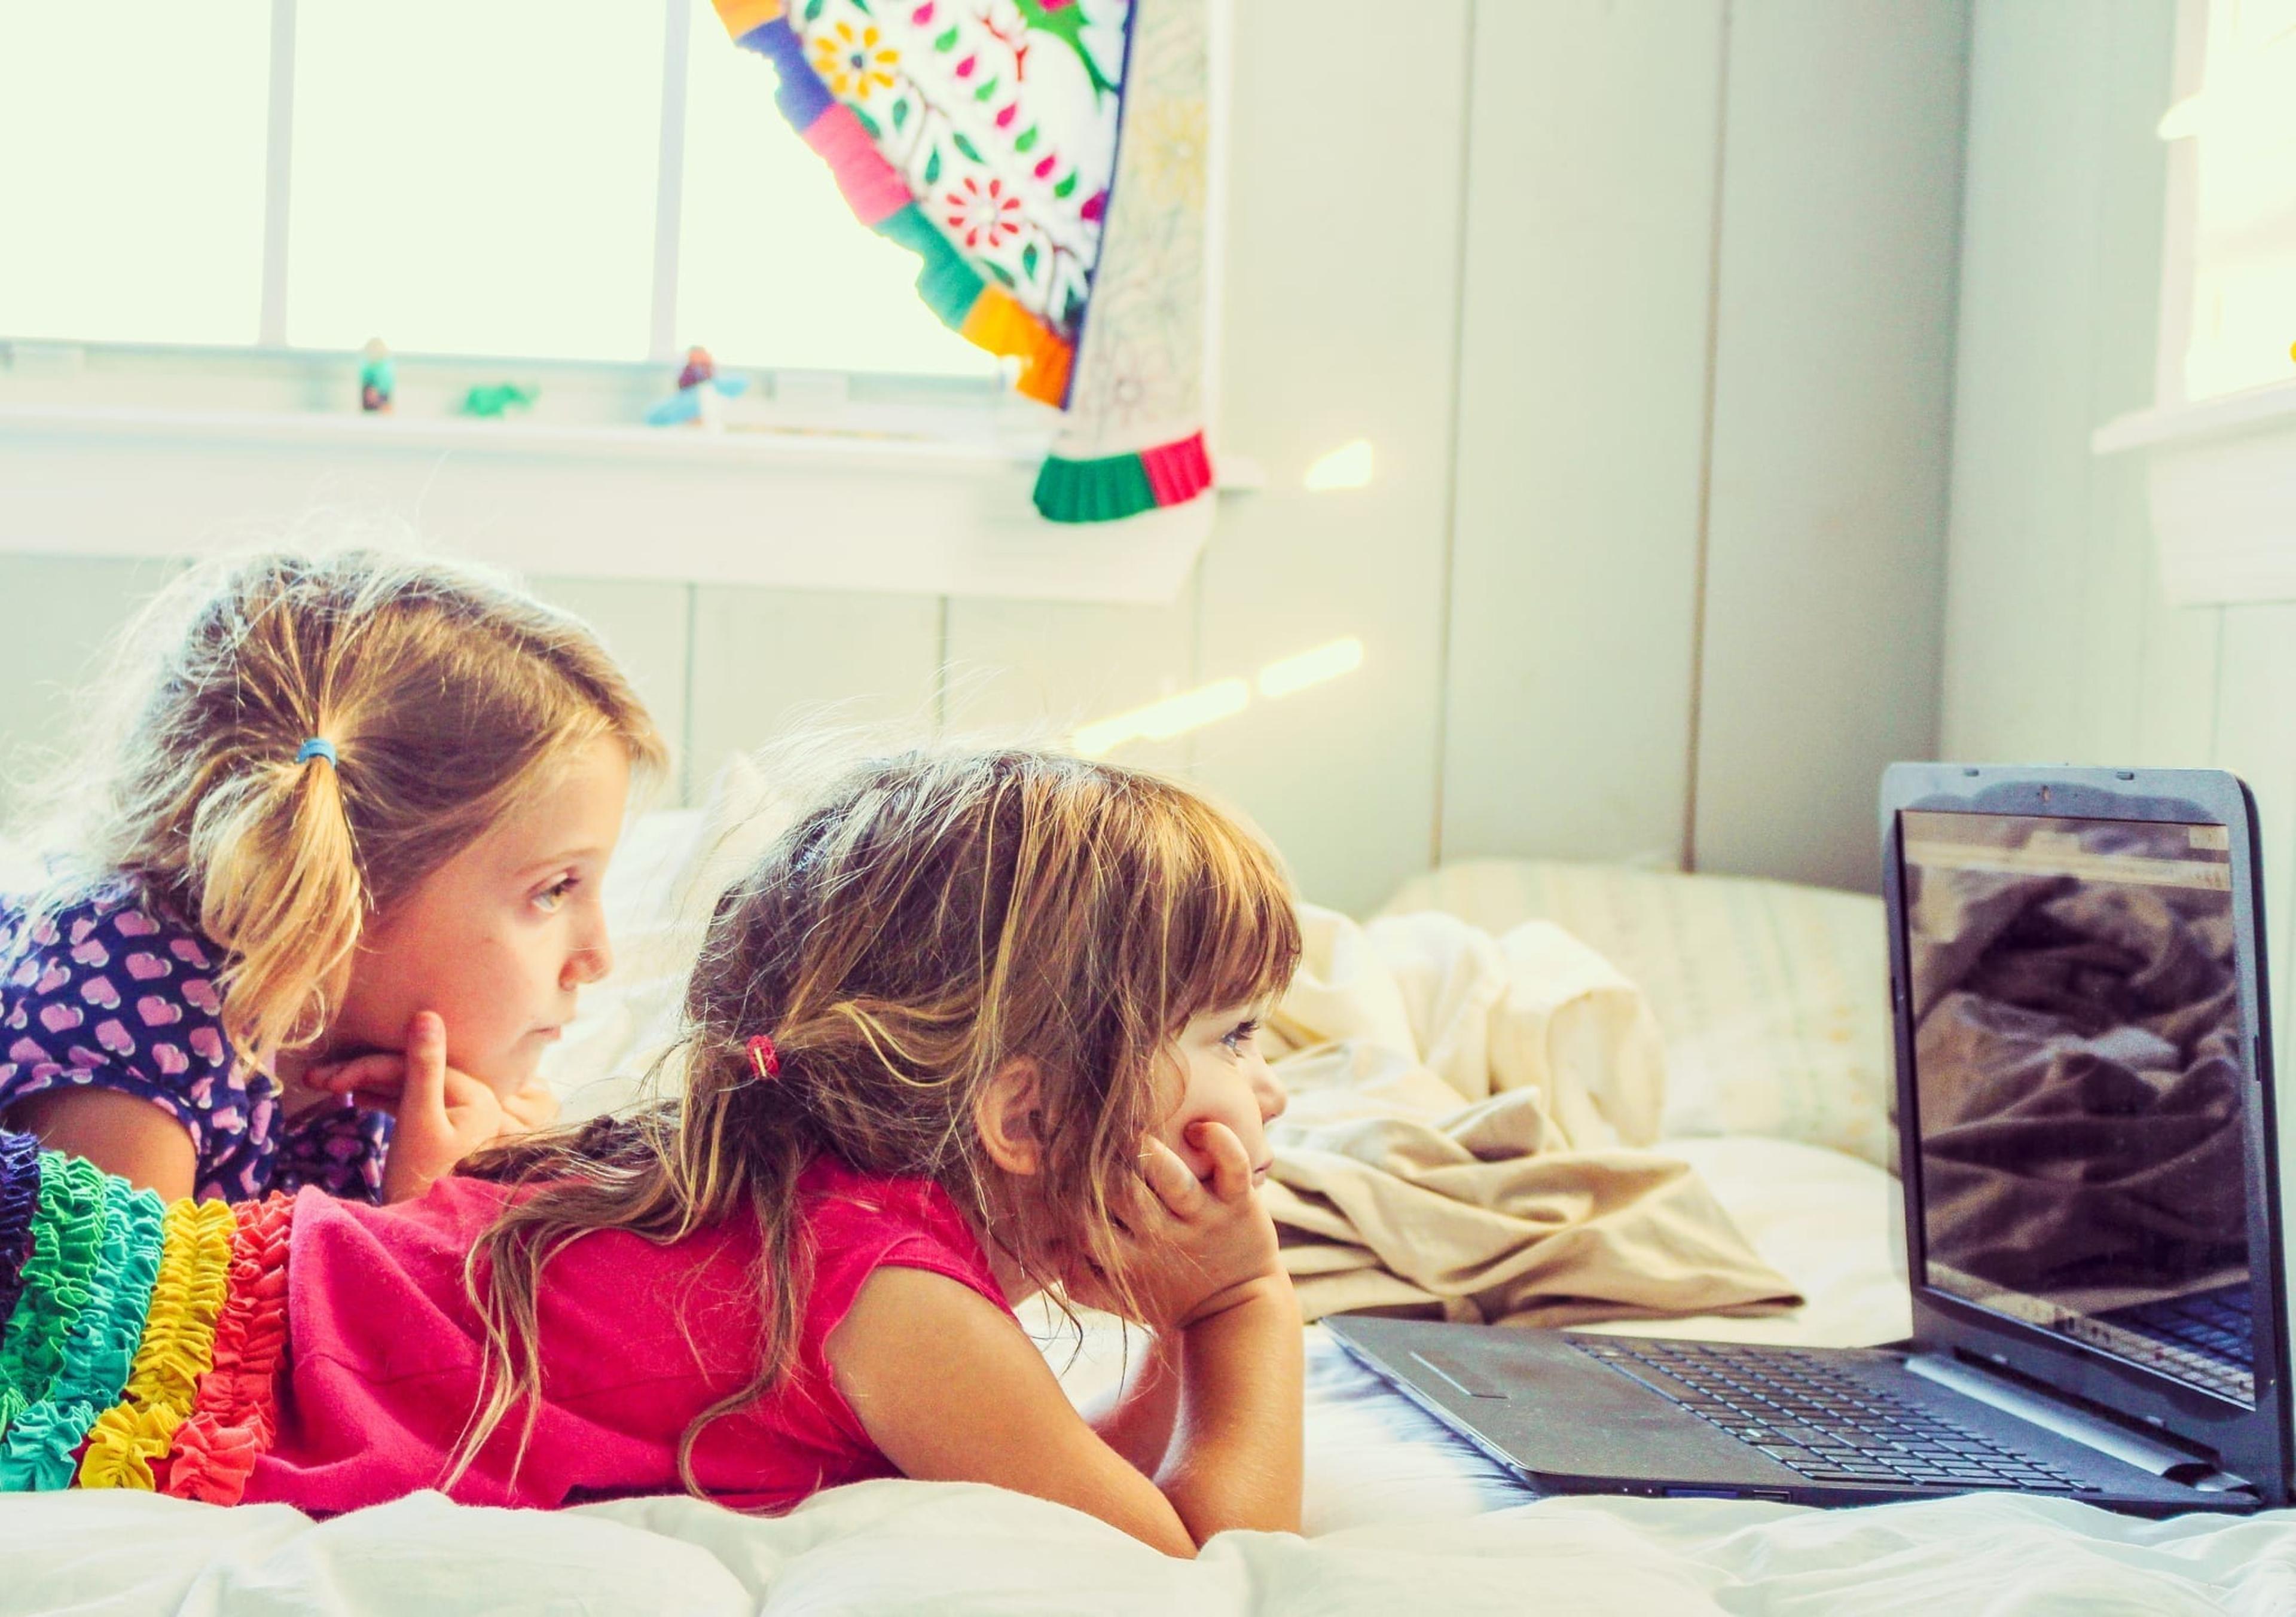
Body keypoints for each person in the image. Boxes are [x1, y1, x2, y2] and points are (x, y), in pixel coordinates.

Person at [0, 748, 1304, 1554]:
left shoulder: (827, 1223)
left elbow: (1071, 1484)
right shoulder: (897, 1295)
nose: (1276, 1091)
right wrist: (1245, 1304)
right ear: (1021, 1115)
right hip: (91, 1329)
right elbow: (1197, 1554)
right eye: (1237, 1034)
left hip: (124, 1276)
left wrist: (1177, 1322)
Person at [0, 549, 668, 1205]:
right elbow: (105, 1316)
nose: (597, 958)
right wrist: (420, 1229)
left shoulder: (384, 1078)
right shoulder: (133, 1006)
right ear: (337, 886)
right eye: (554, 890)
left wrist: (480, 1196)